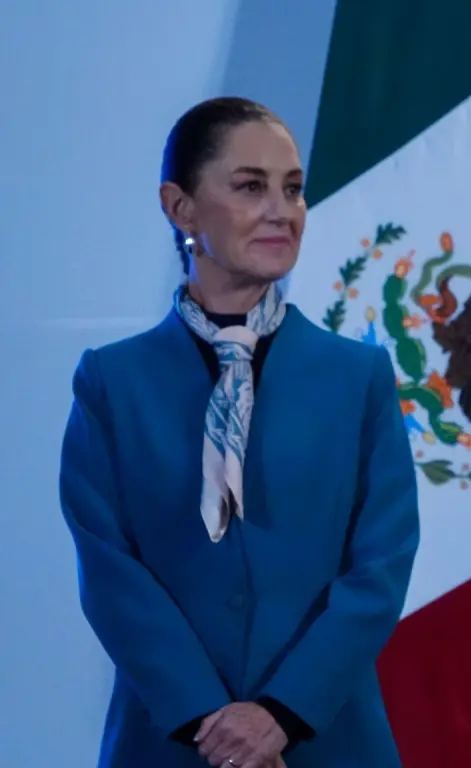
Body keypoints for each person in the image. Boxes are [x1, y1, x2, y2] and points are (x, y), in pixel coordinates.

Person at [58, 96, 420, 768]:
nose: (281, 210)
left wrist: (280, 714)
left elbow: (381, 565)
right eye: (251, 186)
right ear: (180, 207)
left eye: (293, 189)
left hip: (328, 741)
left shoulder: (358, 377)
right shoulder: (112, 383)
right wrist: (210, 721)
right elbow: (110, 573)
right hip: (171, 744)